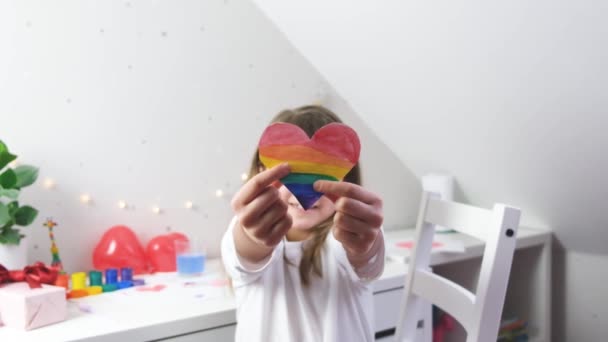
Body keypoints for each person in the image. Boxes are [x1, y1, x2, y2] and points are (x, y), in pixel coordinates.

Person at [221, 105, 385, 342]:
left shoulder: (346, 233)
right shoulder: (245, 226)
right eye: (293, 173)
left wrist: (365, 245)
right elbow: (244, 255)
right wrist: (252, 236)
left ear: (346, 179)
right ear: (262, 172)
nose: (305, 191)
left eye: (323, 171)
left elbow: (366, 260)